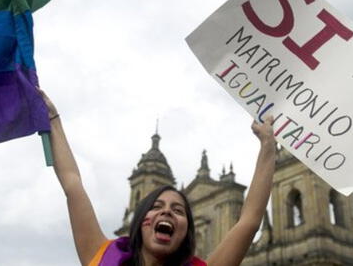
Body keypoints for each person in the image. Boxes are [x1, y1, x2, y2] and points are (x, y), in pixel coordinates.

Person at [38, 89, 277, 266]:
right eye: (156, 206)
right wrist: (52, 119)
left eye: (179, 210)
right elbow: (72, 183)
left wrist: (268, 146)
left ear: (186, 233)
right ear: (142, 219)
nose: (167, 212)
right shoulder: (102, 257)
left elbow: (249, 220)